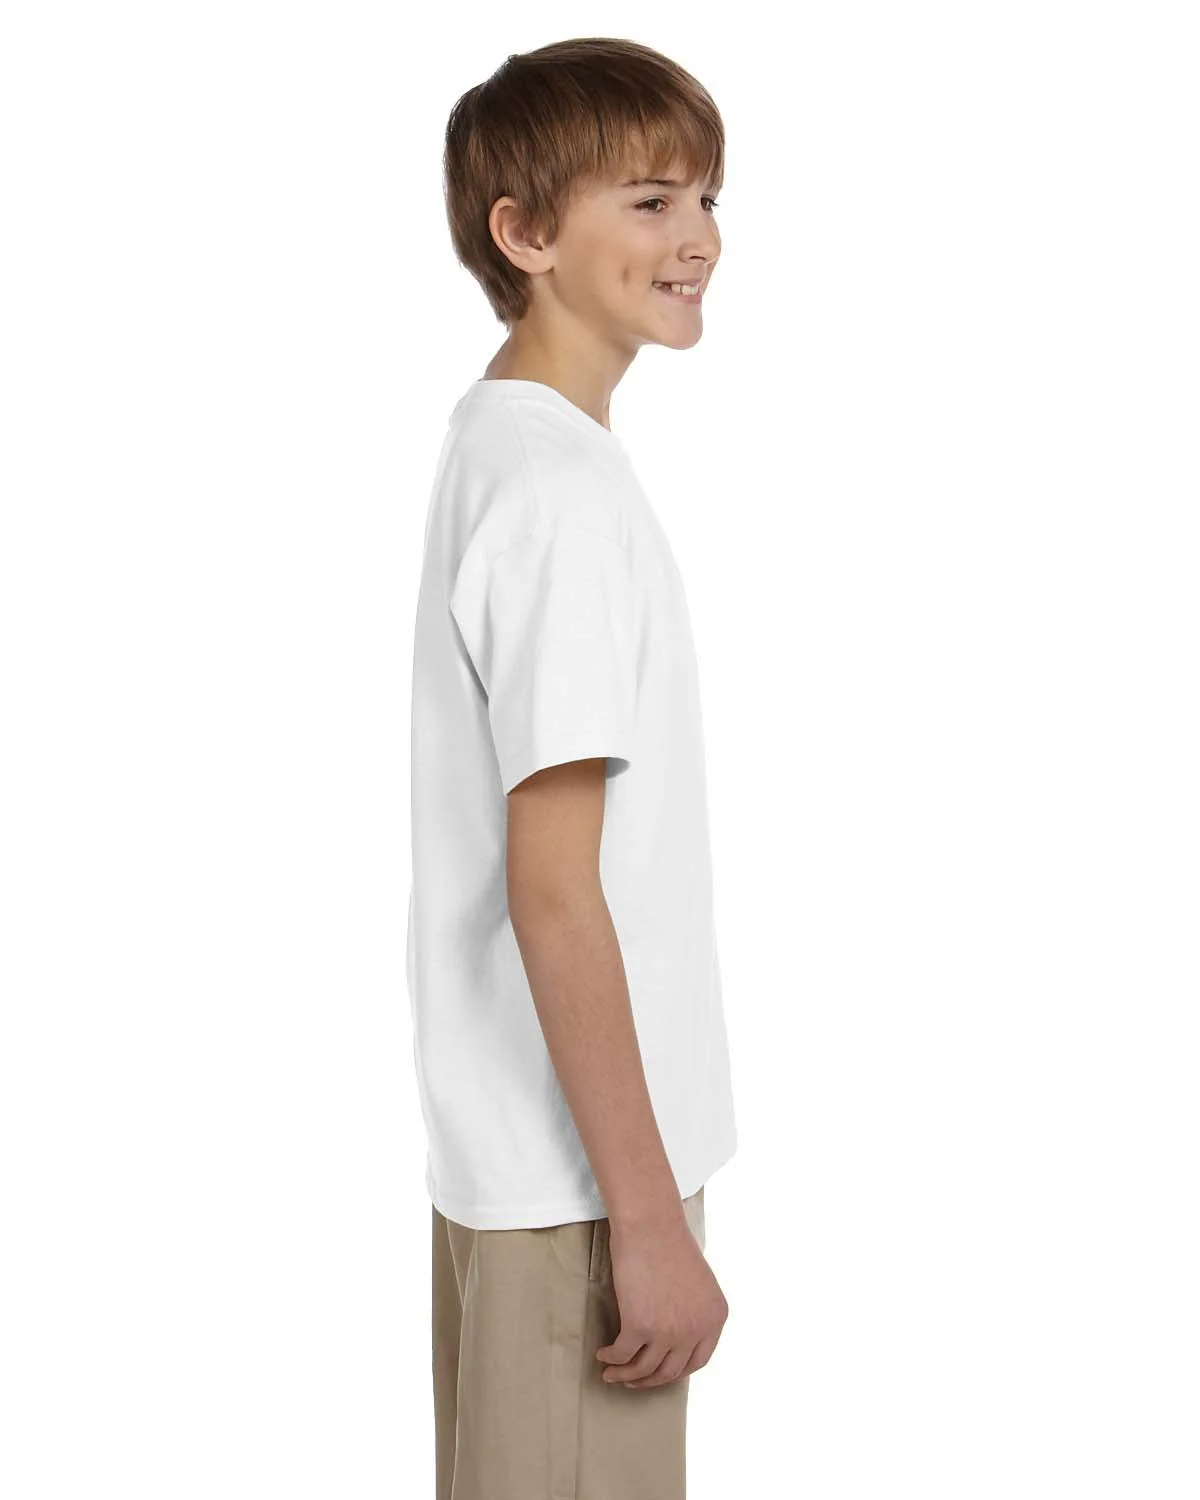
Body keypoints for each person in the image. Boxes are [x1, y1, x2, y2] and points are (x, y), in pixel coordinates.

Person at [406, 36, 738, 1500]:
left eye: (708, 198)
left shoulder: (513, 448)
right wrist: (647, 1221)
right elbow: (555, 889)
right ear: (525, 234)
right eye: (651, 202)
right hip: (582, 1190)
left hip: (545, 1169)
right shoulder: (554, 496)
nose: (700, 238)